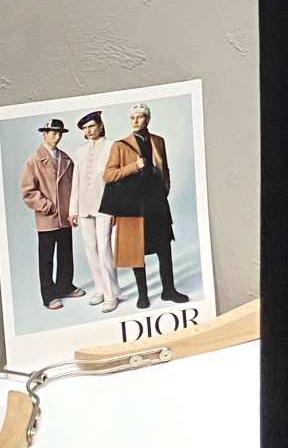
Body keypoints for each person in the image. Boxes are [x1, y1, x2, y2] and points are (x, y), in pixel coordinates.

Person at [100, 104, 189, 309]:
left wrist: (163, 191)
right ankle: (143, 295)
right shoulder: (120, 146)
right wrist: (134, 166)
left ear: (148, 119)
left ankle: (169, 290)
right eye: (133, 117)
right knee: (135, 249)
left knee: (164, 247)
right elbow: (108, 175)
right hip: (133, 204)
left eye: (140, 117)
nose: (136, 121)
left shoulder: (158, 141)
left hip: (156, 202)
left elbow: (164, 169)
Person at [19, 119, 85, 311]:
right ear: (44, 134)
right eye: (53, 133)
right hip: (47, 217)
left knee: (66, 254)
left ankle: (65, 286)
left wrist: (73, 209)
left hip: (65, 216)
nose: (57, 137)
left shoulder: (66, 158)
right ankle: (48, 295)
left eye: (60, 133)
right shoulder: (34, 160)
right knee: (47, 258)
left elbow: (75, 186)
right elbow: (28, 190)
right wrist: (46, 206)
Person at [69, 108, 118, 311]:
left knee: (104, 248)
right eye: (85, 128)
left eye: (91, 126)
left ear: (100, 126)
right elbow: (76, 181)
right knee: (91, 250)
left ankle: (111, 294)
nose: (88, 131)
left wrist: (114, 208)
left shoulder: (112, 147)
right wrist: (73, 210)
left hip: (104, 207)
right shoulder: (80, 151)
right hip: (84, 207)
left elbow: (115, 182)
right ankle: (100, 289)